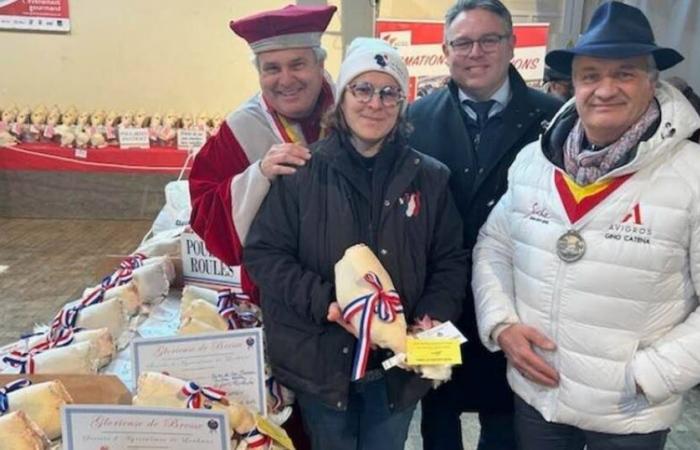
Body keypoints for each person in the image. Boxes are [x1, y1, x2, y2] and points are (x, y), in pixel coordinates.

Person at [472, 2, 700, 449]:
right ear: (573, 84)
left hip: (628, 414)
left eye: (625, 73)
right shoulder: (534, 163)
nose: (605, 89)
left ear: (652, 82)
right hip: (540, 400)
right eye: (591, 75)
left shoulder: (691, 177)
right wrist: (501, 325)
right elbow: (493, 247)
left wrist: (650, 374)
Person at [244, 38, 467, 450]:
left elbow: (451, 260)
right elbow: (264, 255)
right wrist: (329, 302)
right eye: (362, 89)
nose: (375, 103)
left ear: (402, 103)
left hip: (397, 370)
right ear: (342, 98)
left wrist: (433, 315)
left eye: (388, 92)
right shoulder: (302, 173)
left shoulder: (431, 178)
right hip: (322, 361)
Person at [406, 1, 562, 448]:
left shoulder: (553, 119)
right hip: (434, 301)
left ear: (512, 44)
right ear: (445, 50)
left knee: (506, 419)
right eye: (463, 42)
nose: (476, 52)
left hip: (517, 301)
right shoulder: (414, 120)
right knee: (436, 409)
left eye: (489, 39)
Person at [188, 4, 337, 298]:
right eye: (272, 68)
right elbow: (205, 215)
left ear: (320, 66)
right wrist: (256, 177)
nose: (285, 80)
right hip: (278, 292)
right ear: (259, 73)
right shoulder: (238, 130)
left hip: (355, 287)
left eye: (297, 64)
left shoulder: (352, 112)